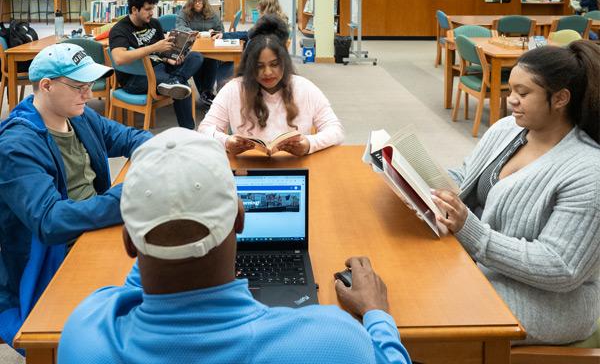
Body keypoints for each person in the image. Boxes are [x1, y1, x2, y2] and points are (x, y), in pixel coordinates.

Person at [57, 127, 412, 364]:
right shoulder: (334, 342)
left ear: (129, 243)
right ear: (240, 220)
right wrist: (377, 314)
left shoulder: (85, 335)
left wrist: (167, 233)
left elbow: (133, 289)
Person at [431, 40, 600, 345]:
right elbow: (466, 175)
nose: (512, 101)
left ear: (560, 98)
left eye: (523, 94)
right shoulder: (508, 129)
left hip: (550, 303)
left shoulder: (589, 170)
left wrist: (471, 230)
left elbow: (560, 267)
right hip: (488, 267)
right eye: (510, 90)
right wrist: (419, 177)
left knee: (430, 312)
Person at [0, 43, 152, 347]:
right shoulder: (16, 144)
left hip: (92, 230)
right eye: (79, 86)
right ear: (46, 86)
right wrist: (128, 196)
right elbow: (50, 221)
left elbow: (130, 137)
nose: (90, 94)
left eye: (90, 85)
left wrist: (160, 151)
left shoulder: (78, 116)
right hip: (52, 258)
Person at [198, 15, 344, 156]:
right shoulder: (234, 89)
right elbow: (204, 129)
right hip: (249, 169)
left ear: (284, 62)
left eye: (274, 64)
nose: (267, 72)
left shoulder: (305, 88)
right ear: (249, 66)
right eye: (259, 66)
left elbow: (336, 130)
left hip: (294, 168)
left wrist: (310, 144)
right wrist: (226, 141)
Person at [109, 0, 204, 129]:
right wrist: (154, 47)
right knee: (182, 88)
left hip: (160, 67)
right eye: (147, 9)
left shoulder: (154, 23)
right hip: (136, 78)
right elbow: (118, 58)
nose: (152, 12)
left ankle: (174, 80)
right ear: (134, 9)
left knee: (196, 57)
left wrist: (170, 58)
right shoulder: (120, 29)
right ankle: (188, 131)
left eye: (152, 8)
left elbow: (162, 52)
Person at [175, 0, 234, 105]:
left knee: (211, 59)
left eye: (200, 1)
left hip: (209, 47)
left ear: (204, 1)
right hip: (191, 48)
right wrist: (191, 32)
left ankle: (205, 92)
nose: (197, 3)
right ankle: (205, 93)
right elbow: (179, 27)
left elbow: (221, 30)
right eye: (195, 1)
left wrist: (214, 33)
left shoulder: (211, 13)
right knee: (196, 58)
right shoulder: (184, 12)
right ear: (191, 1)